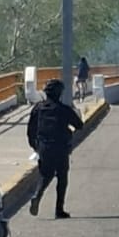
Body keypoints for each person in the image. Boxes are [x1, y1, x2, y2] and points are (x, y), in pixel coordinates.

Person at [26, 79, 83, 219]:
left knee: (45, 174)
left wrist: (36, 146)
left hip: (44, 146)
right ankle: (59, 210)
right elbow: (79, 125)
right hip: (61, 147)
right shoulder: (63, 110)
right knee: (62, 177)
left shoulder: (38, 109)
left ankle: (37, 195)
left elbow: (30, 130)